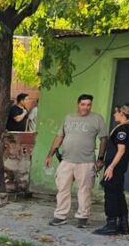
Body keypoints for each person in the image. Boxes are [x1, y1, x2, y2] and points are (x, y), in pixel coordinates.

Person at [44, 94, 108, 228]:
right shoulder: (68, 117)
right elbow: (59, 137)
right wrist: (49, 155)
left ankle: (83, 217)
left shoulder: (97, 119)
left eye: (89, 105)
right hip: (66, 160)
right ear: (78, 104)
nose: (86, 107)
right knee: (62, 188)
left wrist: (101, 158)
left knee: (84, 190)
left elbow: (103, 139)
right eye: (83, 104)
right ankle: (60, 216)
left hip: (86, 161)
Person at [93, 103, 129, 235]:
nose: (114, 114)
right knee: (119, 194)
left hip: (115, 168)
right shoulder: (128, 128)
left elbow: (121, 150)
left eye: (116, 112)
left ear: (122, 114)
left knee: (111, 195)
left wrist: (111, 167)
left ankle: (111, 224)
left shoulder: (123, 130)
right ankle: (123, 224)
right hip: (119, 168)